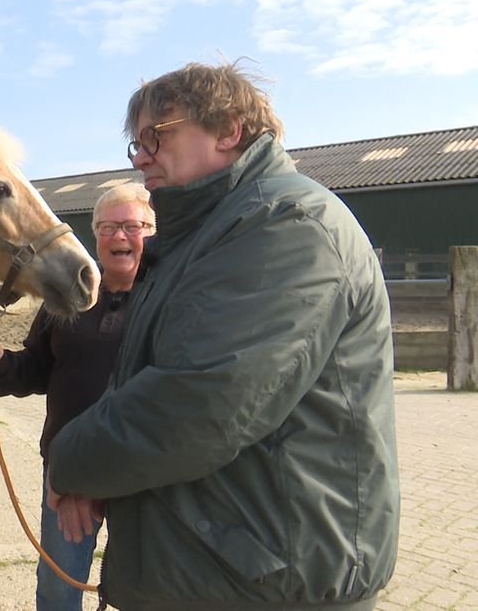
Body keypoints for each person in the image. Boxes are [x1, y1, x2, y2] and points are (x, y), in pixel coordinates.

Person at [47, 60, 400, 610]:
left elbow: (199, 404)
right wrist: (99, 474)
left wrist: (70, 462)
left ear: (229, 130)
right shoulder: (204, 238)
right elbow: (140, 377)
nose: (141, 157)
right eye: (135, 144)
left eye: (156, 137)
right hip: (215, 570)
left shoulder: (286, 225)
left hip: (270, 582)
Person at [0, 182, 154, 611]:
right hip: (68, 473)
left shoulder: (171, 300)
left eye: (132, 226)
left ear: (152, 232)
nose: (119, 237)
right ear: (94, 234)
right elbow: (38, 368)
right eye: (107, 227)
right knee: (57, 588)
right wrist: (0, 362)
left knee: (146, 590)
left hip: (146, 477)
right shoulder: (68, 296)